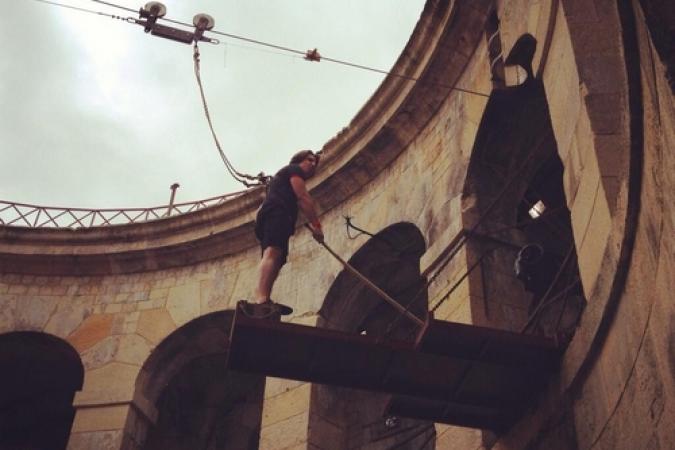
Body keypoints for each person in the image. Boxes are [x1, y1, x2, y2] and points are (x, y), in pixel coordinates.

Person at [252, 150, 324, 314]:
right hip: (276, 213)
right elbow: (303, 197)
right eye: (309, 160)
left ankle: (265, 298)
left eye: (315, 162)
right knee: (273, 252)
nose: (313, 164)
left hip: (278, 216)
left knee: (278, 258)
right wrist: (317, 226)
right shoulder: (293, 170)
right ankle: (261, 299)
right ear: (298, 161)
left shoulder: (283, 179)